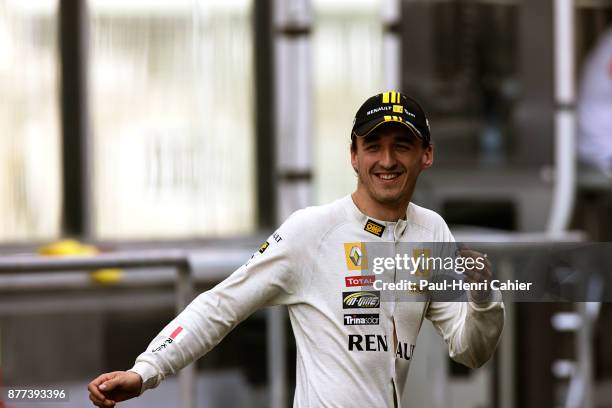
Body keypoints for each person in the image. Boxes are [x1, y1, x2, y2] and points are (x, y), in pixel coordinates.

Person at [88, 91, 505, 408]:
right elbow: (221, 304)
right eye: (374, 146)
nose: (387, 160)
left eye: (402, 145)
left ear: (426, 155)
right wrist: (146, 371)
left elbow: (471, 351)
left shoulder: (432, 231)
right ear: (354, 157)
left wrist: (485, 298)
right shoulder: (313, 229)